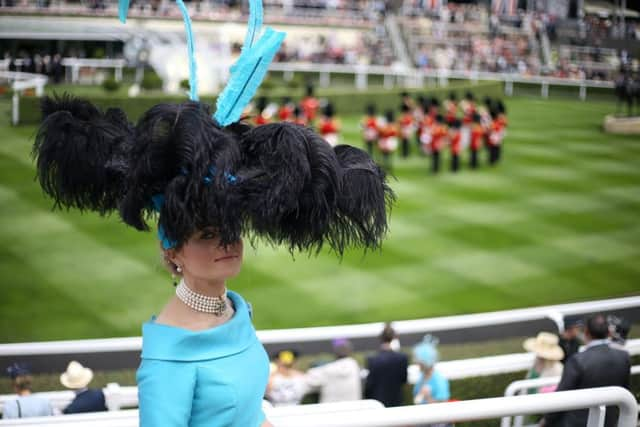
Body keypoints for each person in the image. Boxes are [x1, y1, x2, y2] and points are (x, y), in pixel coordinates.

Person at [32, 3, 392, 425]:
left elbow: (250, 412)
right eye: (205, 235)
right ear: (173, 252)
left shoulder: (236, 309)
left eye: (230, 228)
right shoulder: (168, 358)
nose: (227, 241)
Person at [541, 315, 631, 427]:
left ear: (586, 332)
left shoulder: (577, 361)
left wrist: (545, 422)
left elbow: (561, 398)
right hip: (609, 422)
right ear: (608, 333)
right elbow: (626, 391)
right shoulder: (623, 357)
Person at [364, 323, 408, 407]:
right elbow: (404, 380)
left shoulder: (372, 360)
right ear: (393, 338)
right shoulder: (402, 358)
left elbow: (369, 385)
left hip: (378, 402)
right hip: (396, 400)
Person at [305, 339, 362, 403]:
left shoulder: (328, 369)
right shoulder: (354, 365)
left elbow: (309, 381)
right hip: (352, 408)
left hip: (330, 409)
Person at [412, 335, 450, 404]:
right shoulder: (422, 377)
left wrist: (428, 397)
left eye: (419, 362)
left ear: (425, 362)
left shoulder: (439, 380)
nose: (417, 364)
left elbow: (443, 407)